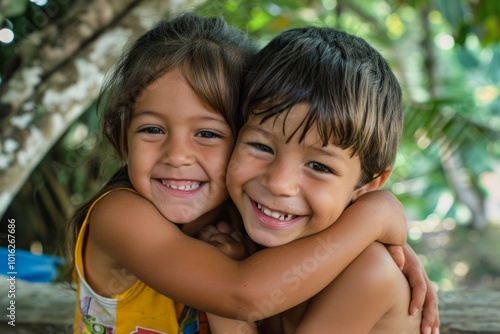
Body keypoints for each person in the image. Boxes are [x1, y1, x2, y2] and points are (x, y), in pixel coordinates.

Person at [66, 12, 436, 334]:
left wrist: (382, 230)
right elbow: (242, 294)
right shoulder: (118, 216)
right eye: (152, 129)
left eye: (208, 134)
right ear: (122, 133)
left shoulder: (251, 224)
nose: (178, 156)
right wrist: (374, 216)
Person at [204, 26, 441, 333]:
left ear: (368, 185)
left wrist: (220, 294)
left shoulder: (370, 271)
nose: (278, 183)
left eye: (319, 166)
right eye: (262, 147)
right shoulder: (240, 223)